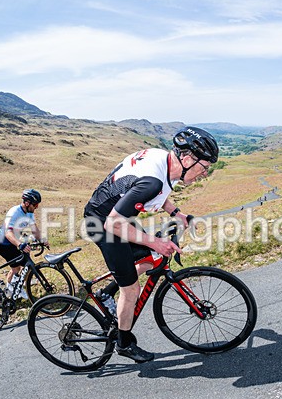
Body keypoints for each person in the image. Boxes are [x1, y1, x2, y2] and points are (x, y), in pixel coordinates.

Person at [83, 126, 219, 363]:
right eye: (204, 167)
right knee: (132, 289)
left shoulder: (165, 161)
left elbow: (159, 190)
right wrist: (155, 242)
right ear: (187, 159)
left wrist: (176, 212)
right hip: (103, 224)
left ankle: (106, 292)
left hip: (114, 216)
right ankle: (124, 344)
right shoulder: (152, 181)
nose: (204, 174)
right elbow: (115, 223)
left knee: (149, 259)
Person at [0, 189, 46, 298]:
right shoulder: (14, 212)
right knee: (16, 268)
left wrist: (42, 240)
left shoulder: (29, 213)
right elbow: (8, 233)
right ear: (27, 203)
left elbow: (34, 229)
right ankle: (11, 289)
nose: (36, 207)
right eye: (35, 205)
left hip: (15, 242)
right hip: (4, 244)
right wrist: (19, 245)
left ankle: (11, 288)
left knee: (25, 265)